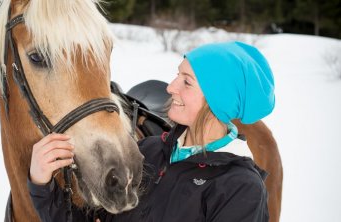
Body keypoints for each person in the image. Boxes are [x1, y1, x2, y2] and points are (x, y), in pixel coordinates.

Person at [28, 41, 275, 222]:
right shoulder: (150, 151)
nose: (170, 87)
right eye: (177, 75)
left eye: (186, 81)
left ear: (217, 101)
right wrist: (42, 184)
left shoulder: (239, 188)